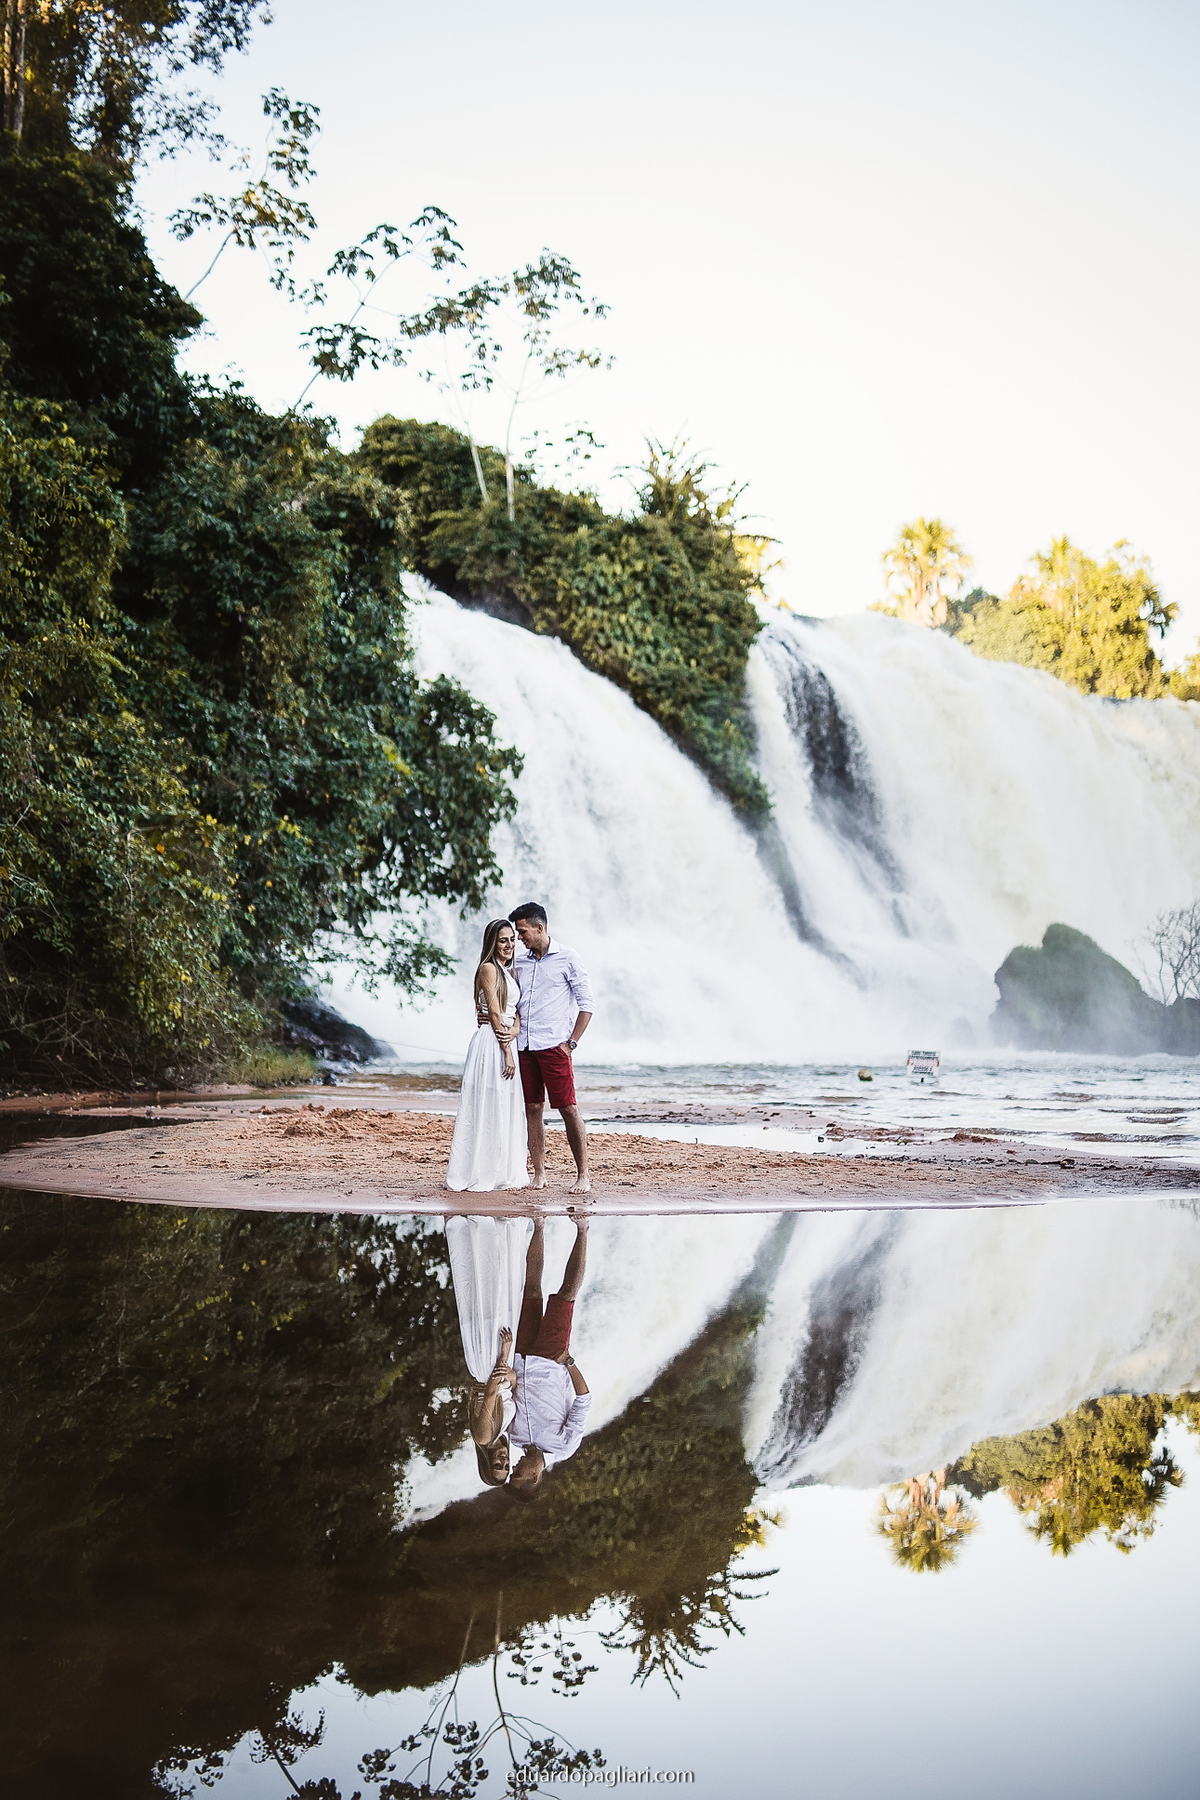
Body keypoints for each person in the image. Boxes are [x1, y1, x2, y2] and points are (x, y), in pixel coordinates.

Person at [507, 903, 594, 1195]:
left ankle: (583, 1174)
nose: (519, 938)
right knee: (532, 1108)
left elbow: (587, 1004)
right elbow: (510, 1000)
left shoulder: (568, 957)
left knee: (568, 1108)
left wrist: (571, 1043)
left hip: (555, 1047)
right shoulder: (520, 962)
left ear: (539, 928)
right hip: (525, 1046)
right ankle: (539, 1174)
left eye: (522, 932)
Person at [444, 1215, 534, 1486]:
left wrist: (504, 1354)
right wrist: (511, 1373)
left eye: (497, 1465)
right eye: (506, 1466)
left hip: (490, 1366)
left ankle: (483, 1231)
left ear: (486, 1461)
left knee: (490, 1301)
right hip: (498, 1368)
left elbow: (492, 1393)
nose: (504, 1461)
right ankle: (493, 1232)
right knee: (500, 1297)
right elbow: (512, 1389)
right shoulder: (502, 1432)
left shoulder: (483, 1437)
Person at [508, 1217, 592, 1502]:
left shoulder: (513, 1437)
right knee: (567, 1294)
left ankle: (539, 1224)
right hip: (550, 1359)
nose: (514, 1467)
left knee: (531, 1290)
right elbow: (583, 1401)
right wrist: (568, 1361)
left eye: (512, 1472)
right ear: (534, 1477)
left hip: (519, 1357)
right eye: (518, 1473)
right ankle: (583, 1228)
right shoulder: (564, 1447)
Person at [446, 919, 529, 1192]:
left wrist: (515, 1031)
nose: (508, 945)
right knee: (487, 1104)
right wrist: (506, 1051)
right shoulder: (488, 969)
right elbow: (494, 1013)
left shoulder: (510, 972)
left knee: (504, 1104)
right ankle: (481, 1170)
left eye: (512, 939)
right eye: (502, 940)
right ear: (492, 942)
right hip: (492, 1042)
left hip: (506, 1037)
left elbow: (515, 1012)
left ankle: (501, 1169)